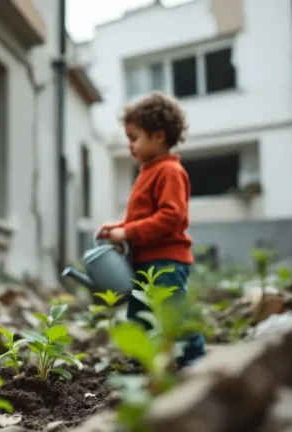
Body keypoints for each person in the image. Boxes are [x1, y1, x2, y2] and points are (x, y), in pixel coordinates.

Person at [96, 92, 205, 370]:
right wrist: (119, 227)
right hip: (146, 262)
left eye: (134, 138)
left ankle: (195, 365)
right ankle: (146, 365)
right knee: (141, 315)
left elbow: (171, 217)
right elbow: (146, 216)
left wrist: (128, 232)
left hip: (166, 262)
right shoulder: (149, 170)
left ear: (158, 136)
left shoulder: (170, 171)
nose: (130, 145)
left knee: (172, 316)